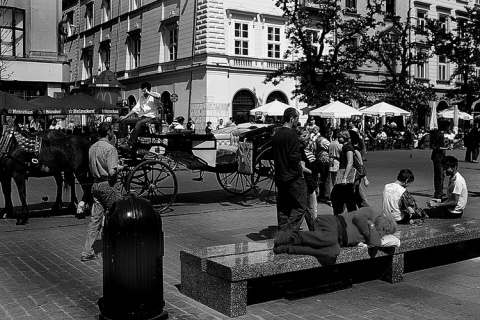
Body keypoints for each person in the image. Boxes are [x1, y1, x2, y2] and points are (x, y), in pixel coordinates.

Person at [273, 207, 398, 259]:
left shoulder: (372, 234)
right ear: (384, 227)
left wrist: (370, 230)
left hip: (336, 238)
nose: (383, 235)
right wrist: (370, 226)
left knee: (333, 252)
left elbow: (376, 243)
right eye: (385, 232)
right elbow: (358, 217)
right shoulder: (369, 213)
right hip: (332, 223)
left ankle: (289, 248)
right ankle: (290, 236)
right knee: (330, 239)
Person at [81, 122, 123, 262]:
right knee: (118, 215)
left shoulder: (92, 147)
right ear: (109, 132)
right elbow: (112, 171)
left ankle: (87, 251)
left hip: (96, 184)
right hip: (108, 185)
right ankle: (117, 249)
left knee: (95, 219)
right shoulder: (110, 149)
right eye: (112, 130)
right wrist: (121, 167)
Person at [273, 107, 307, 231]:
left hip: (280, 175)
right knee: (300, 205)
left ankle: (282, 231)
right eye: (297, 119)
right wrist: (301, 172)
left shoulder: (277, 133)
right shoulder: (291, 134)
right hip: (292, 176)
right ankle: (288, 232)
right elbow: (295, 158)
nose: (298, 122)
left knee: (283, 207)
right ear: (292, 118)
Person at [119, 82, 160, 150]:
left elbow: (158, 96)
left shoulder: (153, 96)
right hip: (143, 117)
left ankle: (130, 143)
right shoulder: (141, 98)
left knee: (139, 123)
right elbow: (135, 108)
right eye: (142, 90)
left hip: (151, 118)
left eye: (144, 90)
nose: (142, 91)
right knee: (124, 121)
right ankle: (122, 140)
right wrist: (126, 116)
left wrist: (148, 92)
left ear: (148, 89)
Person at [298, 129, 321, 231]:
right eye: (303, 135)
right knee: (311, 207)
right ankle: (314, 230)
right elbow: (302, 167)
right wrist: (312, 171)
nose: (306, 137)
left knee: (308, 208)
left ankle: (313, 229)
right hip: (307, 181)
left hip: (307, 182)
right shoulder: (300, 150)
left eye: (307, 135)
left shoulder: (303, 149)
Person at [330, 130, 357, 215]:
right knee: (347, 198)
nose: (338, 139)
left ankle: (342, 216)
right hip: (343, 173)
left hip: (346, 174)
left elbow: (350, 162)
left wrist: (344, 177)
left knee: (340, 197)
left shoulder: (348, 147)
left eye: (339, 137)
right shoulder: (345, 146)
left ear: (345, 137)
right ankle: (344, 215)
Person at [430, 127, 447, 199]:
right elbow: (436, 147)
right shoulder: (439, 135)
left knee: (441, 175)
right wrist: (444, 148)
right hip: (438, 157)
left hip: (440, 157)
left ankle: (440, 191)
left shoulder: (440, 134)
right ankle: (438, 192)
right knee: (439, 175)